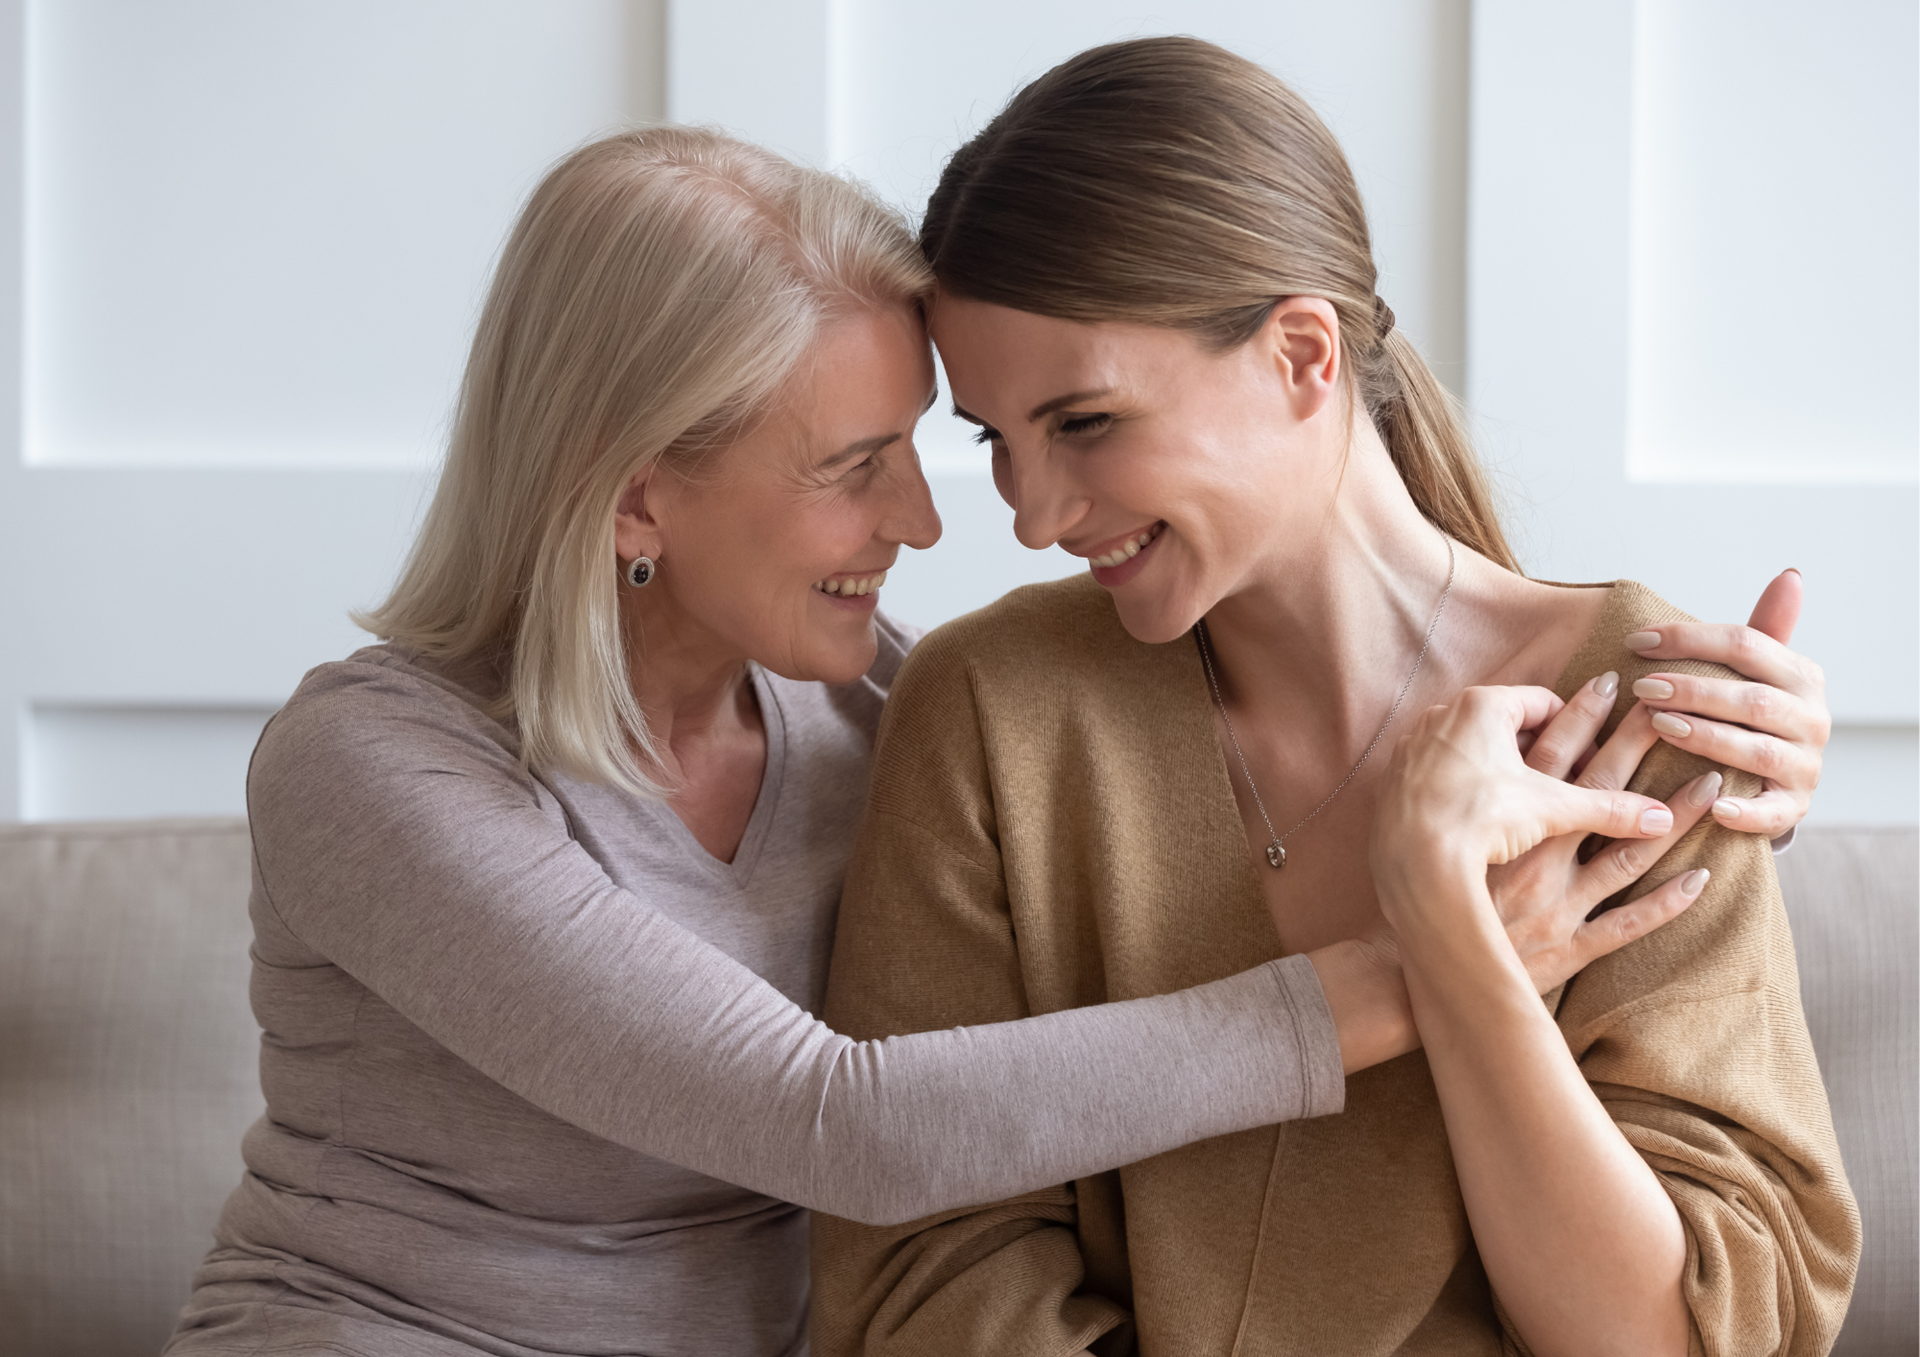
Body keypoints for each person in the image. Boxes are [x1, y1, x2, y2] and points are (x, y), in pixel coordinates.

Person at [163, 127, 1829, 1357]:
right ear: (634, 494)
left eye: (936, 447)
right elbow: (847, 1126)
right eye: (858, 463)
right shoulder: (372, 770)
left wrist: (1738, 759)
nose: (955, 522)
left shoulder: (876, 700)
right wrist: (1433, 954)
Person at [810, 38, 1856, 1357]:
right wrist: (1421, 955)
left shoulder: (1633, 710)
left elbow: (1684, 1337)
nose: (1031, 519)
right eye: (996, 443)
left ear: (1303, 356)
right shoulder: (988, 709)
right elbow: (923, 1264)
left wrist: (1452, 935)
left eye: (1081, 425)